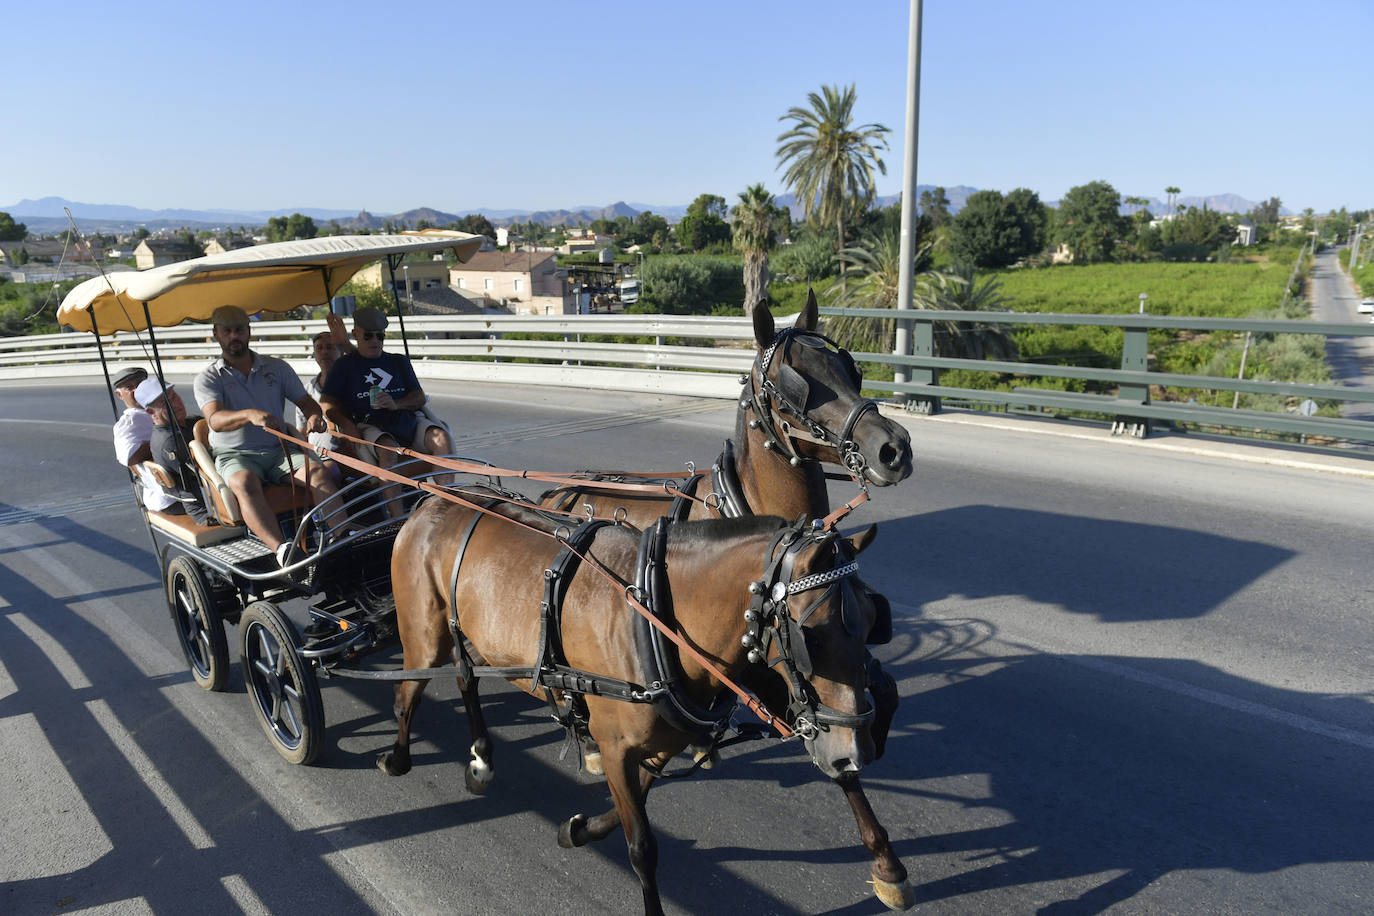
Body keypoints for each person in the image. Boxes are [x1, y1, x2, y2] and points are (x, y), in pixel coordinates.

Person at [192, 305, 338, 566]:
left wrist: (315, 415)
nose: (234, 336)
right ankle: (283, 550)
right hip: (235, 454)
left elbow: (306, 402)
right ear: (217, 334)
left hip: (277, 449)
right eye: (227, 331)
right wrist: (248, 414)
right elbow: (213, 420)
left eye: (239, 330)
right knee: (245, 482)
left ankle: (340, 537)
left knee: (319, 473)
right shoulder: (208, 377)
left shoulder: (276, 367)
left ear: (249, 332)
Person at [320, 306, 454, 506]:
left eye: (379, 336)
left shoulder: (398, 361)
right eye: (368, 336)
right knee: (388, 449)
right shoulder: (345, 366)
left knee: (441, 438)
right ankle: (396, 517)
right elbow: (327, 404)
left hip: (405, 420)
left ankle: (447, 503)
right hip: (369, 424)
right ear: (356, 334)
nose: (375, 341)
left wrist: (397, 403)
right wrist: (346, 424)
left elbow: (419, 397)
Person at [134, 376, 210, 525]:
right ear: (150, 412)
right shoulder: (169, 442)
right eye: (165, 402)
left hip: (215, 496)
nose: (175, 403)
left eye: (174, 396)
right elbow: (204, 477)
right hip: (208, 509)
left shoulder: (191, 422)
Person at [110, 364, 178, 514]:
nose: (136, 390)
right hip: (168, 497)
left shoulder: (163, 407)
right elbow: (129, 457)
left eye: (140, 385)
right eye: (129, 387)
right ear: (120, 395)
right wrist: (163, 442)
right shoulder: (129, 421)